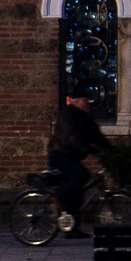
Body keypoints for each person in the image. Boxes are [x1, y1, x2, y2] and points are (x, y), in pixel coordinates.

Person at [48, 91, 110, 235]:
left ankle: (72, 229)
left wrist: (109, 149)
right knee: (82, 175)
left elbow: (96, 135)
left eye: (88, 99)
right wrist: (88, 149)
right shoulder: (68, 115)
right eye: (84, 99)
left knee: (77, 194)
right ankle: (58, 196)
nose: (87, 102)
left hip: (71, 156)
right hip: (59, 155)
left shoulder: (85, 117)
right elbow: (71, 136)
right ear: (76, 101)